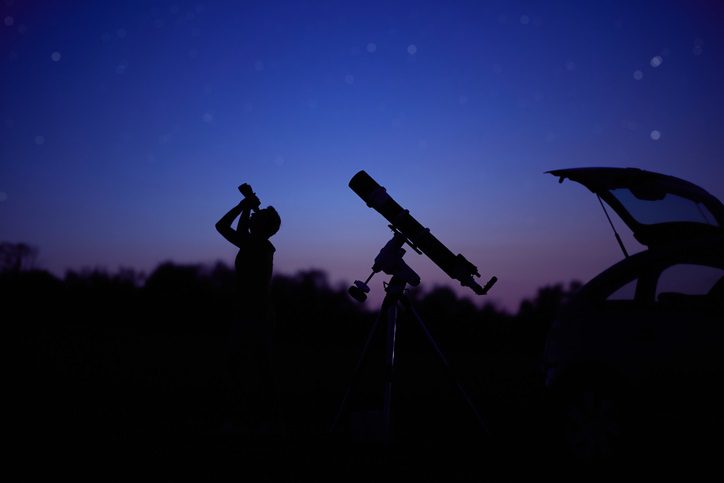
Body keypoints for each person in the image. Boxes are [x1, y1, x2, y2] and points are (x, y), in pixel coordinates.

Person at [215, 183, 281, 435]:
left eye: (259, 215)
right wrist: (246, 208)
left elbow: (223, 226)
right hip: (250, 312)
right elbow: (235, 230)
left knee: (256, 369)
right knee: (245, 368)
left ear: (264, 226)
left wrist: (243, 207)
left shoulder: (258, 246)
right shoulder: (255, 243)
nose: (255, 214)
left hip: (256, 315)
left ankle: (266, 422)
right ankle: (254, 420)